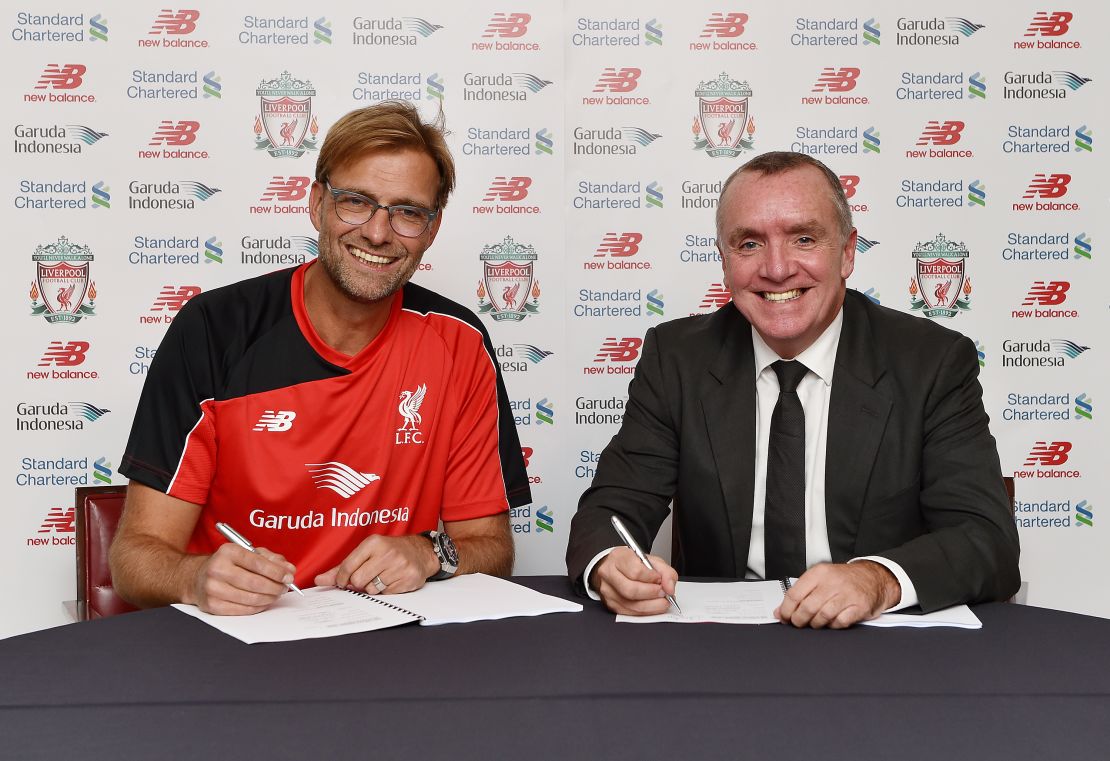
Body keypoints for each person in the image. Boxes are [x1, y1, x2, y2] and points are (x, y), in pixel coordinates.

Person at [566, 151, 1019, 628]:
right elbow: (610, 510)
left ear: (847, 252)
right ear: (724, 262)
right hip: (721, 651)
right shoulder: (677, 359)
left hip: (880, 651)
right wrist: (610, 563)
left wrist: (876, 580)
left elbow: (985, 538)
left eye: (804, 238)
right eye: (749, 244)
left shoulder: (931, 362)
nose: (777, 269)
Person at [111, 101, 531, 615]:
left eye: (407, 212)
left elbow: (492, 546)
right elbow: (133, 559)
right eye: (356, 202)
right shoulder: (212, 328)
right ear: (316, 204)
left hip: (390, 643)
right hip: (236, 647)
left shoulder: (459, 341)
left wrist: (430, 552)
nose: (377, 232)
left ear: (432, 229)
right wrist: (194, 576)